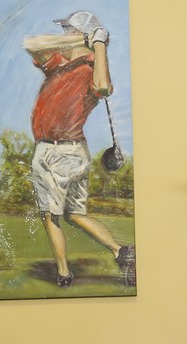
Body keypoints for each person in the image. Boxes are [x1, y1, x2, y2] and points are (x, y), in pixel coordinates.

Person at [25, 10, 135, 288]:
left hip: (56, 152)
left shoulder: (91, 66)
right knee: (75, 214)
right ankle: (120, 251)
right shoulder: (59, 62)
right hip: (71, 152)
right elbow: (31, 44)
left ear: (80, 34)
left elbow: (103, 87)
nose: (64, 35)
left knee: (51, 215)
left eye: (68, 30)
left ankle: (63, 274)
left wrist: (97, 46)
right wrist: (86, 40)